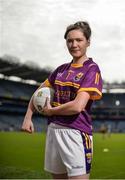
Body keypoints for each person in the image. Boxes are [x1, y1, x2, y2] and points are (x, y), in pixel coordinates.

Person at [22, 21, 103, 179]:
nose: (74, 44)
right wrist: (28, 116)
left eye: (79, 40)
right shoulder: (60, 70)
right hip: (53, 131)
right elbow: (38, 92)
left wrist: (51, 111)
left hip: (76, 133)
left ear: (88, 42)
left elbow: (78, 106)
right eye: (69, 40)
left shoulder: (92, 69)